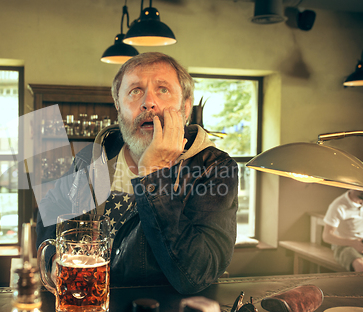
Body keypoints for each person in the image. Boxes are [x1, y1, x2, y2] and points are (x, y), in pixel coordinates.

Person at [36, 52, 238, 294]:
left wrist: (153, 173)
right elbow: (50, 211)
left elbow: (195, 275)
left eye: (162, 89)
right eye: (135, 91)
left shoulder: (215, 168)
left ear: (185, 106)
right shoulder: (91, 157)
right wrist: (54, 261)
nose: (148, 102)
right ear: (119, 106)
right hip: (86, 308)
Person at [323, 190, 363, 272]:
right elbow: (327, 236)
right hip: (344, 246)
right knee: (360, 266)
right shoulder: (338, 205)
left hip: (361, 242)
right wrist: (353, 243)